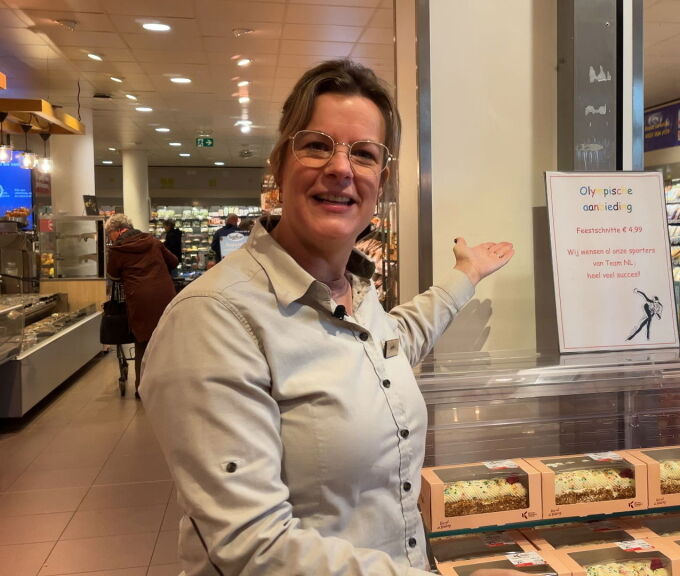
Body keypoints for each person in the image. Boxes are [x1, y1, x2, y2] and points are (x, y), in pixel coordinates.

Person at [141, 59, 517, 575]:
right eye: (318, 145)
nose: (341, 168)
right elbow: (252, 546)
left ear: (381, 182)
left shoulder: (355, 292)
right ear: (280, 161)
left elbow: (392, 346)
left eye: (363, 154)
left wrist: (465, 275)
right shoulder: (214, 320)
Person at [104, 214, 179, 395]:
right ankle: (170, 384)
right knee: (166, 339)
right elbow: (174, 261)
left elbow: (113, 276)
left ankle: (143, 388)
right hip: (165, 294)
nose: (109, 238)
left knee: (143, 341)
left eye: (109, 234)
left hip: (139, 298)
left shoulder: (117, 250)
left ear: (117, 231)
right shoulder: (152, 241)